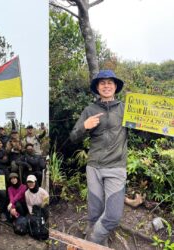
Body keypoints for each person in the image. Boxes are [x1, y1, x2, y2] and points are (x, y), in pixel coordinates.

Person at [70, 70, 127, 246]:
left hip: (116, 166)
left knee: (113, 215)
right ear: (97, 87)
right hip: (94, 166)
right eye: (102, 83)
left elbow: (145, 126)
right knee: (94, 212)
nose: (106, 86)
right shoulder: (90, 110)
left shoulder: (125, 109)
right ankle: (100, 244)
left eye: (110, 82)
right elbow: (73, 137)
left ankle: (91, 241)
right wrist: (84, 127)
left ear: (115, 86)